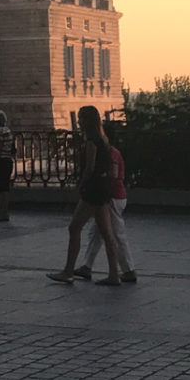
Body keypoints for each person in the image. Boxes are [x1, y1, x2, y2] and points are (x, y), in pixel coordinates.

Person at [49, 104, 128, 286]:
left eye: (81, 118)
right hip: (103, 189)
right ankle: (114, 274)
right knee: (107, 234)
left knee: (74, 227)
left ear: (87, 121)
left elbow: (90, 168)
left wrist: (81, 184)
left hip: (92, 191)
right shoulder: (104, 140)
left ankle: (68, 271)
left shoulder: (91, 141)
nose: (78, 121)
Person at [80, 131, 137, 281]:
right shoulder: (114, 152)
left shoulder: (110, 153)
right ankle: (87, 266)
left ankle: (128, 269)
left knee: (114, 233)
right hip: (114, 195)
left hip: (112, 196)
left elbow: (112, 174)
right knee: (97, 231)